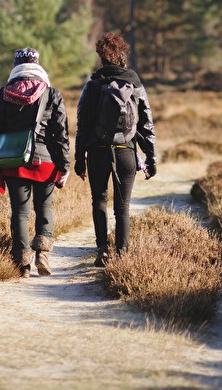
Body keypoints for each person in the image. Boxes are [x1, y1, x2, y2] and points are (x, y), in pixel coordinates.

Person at [74, 32, 157, 267]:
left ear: (102, 58)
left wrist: (80, 159)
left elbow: (83, 126)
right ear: (123, 58)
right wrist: (151, 158)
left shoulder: (92, 86)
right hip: (126, 151)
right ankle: (122, 254)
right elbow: (146, 124)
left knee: (99, 200)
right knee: (123, 205)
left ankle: (102, 250)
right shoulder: (135, 84)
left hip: (98, 151)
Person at [0, 47, 70, 278]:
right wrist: (65, 165)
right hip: (46, 162)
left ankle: (22, 263)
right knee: (44, 207)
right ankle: (42, 253)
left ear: (16, 66)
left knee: (20, 213)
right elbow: (61, 134)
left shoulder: (3, 94)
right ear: (37, 64)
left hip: (15, 162)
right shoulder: (52, 94)